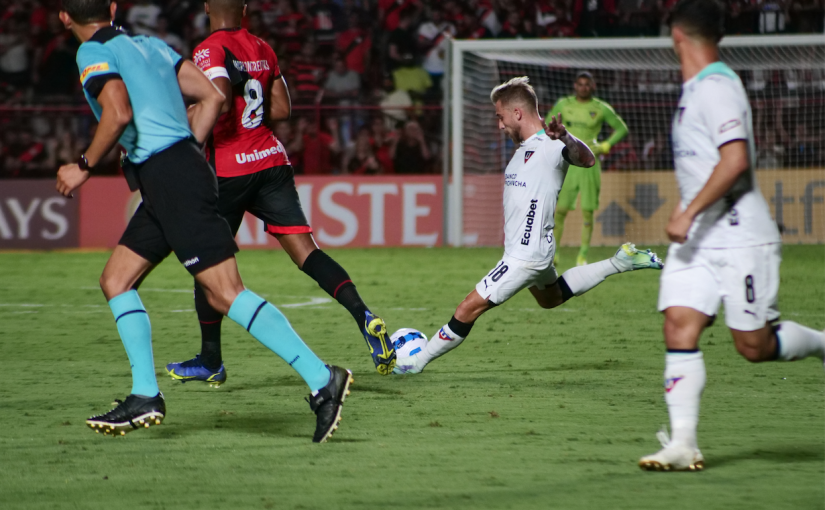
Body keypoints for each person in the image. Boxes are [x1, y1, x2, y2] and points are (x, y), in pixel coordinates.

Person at [56, 0, 352, 443]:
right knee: (116, 280)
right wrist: (185, 150)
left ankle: (321, 378)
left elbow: (117, 110)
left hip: (171, 176)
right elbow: (212, 95)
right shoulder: (150, 45)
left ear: (65, 18)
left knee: (226, 292)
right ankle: (145, 394)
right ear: (114, 7)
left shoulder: (91, 51)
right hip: (173, 174)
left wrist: (84, 164)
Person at [164, 0, 396, 384]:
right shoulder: (262, 47)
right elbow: (283, 109)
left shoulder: (209, 48)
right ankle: (364, 315)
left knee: (205, 261)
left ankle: (210, 360)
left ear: (207, 6)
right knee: (308, 253)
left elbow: (217, 100)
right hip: (272, 160)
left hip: (229, 169)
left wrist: (183, 123)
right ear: (244, 8)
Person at [638, 0, 825, 472]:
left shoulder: (717, 86)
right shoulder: (695, 89)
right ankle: (683, 443)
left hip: (740, 234)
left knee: (753, 347)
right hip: (698, 239)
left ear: (677, 37)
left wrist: (688, 211)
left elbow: (735, 159)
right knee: (679, 322)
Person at [393, 77, 663, 375]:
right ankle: (619, 262)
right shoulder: (525, 147)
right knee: (551, 298)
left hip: (524, 255)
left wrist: (566, 137)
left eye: (500, 117)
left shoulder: (550, 145)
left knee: (466, 309)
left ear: (517, 113)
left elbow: (586, 160)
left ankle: (416, 363)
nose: (499, 125)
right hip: (536, 248)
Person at [546, 71, 628, 267]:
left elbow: (622, 128)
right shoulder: (563, 105)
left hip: (590, 164)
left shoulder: (600, 108)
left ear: (593, 86)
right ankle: (554, 255)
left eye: (587, 84)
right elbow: (547, 126)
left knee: (588, 211)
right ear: (575, 86)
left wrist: (606, 145)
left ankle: (582, 256)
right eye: (580, 84)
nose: (583, 87)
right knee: (561, 210)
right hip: (568, 163)